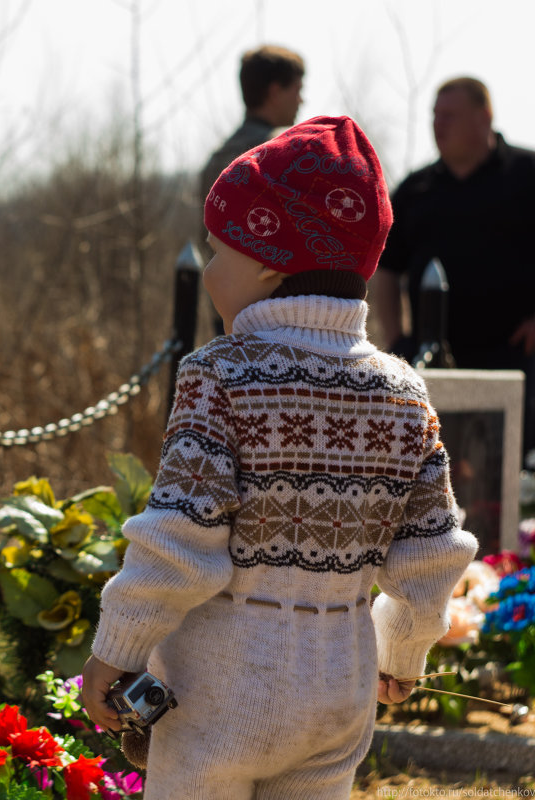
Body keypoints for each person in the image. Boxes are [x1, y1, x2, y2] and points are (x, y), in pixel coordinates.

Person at [80, 116, 478, 799]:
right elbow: (429, 552)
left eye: (218, 250)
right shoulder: (403, 393)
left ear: (269, 258)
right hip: (338, 689)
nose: (208, 271)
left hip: (218, 692)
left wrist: (113, 654)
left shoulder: (222, 375)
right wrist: (403, 651)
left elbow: (179, 539)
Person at [374, 76, 535, 456]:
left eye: (449, 115)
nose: (437, 124)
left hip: (514, 358)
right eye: (435, 115)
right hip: (434, 363)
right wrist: (397, 341)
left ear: (484, 117)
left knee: (512, 466)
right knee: (440, 466)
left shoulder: (527, 175)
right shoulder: (416, 189)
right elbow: (386, 270)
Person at [198, 45, 305, 332]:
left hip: (223, 310)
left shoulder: (216, 159)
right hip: (279, 317)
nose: (301, 100)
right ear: (274, 91)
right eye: (296, 89)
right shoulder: (284, 152)